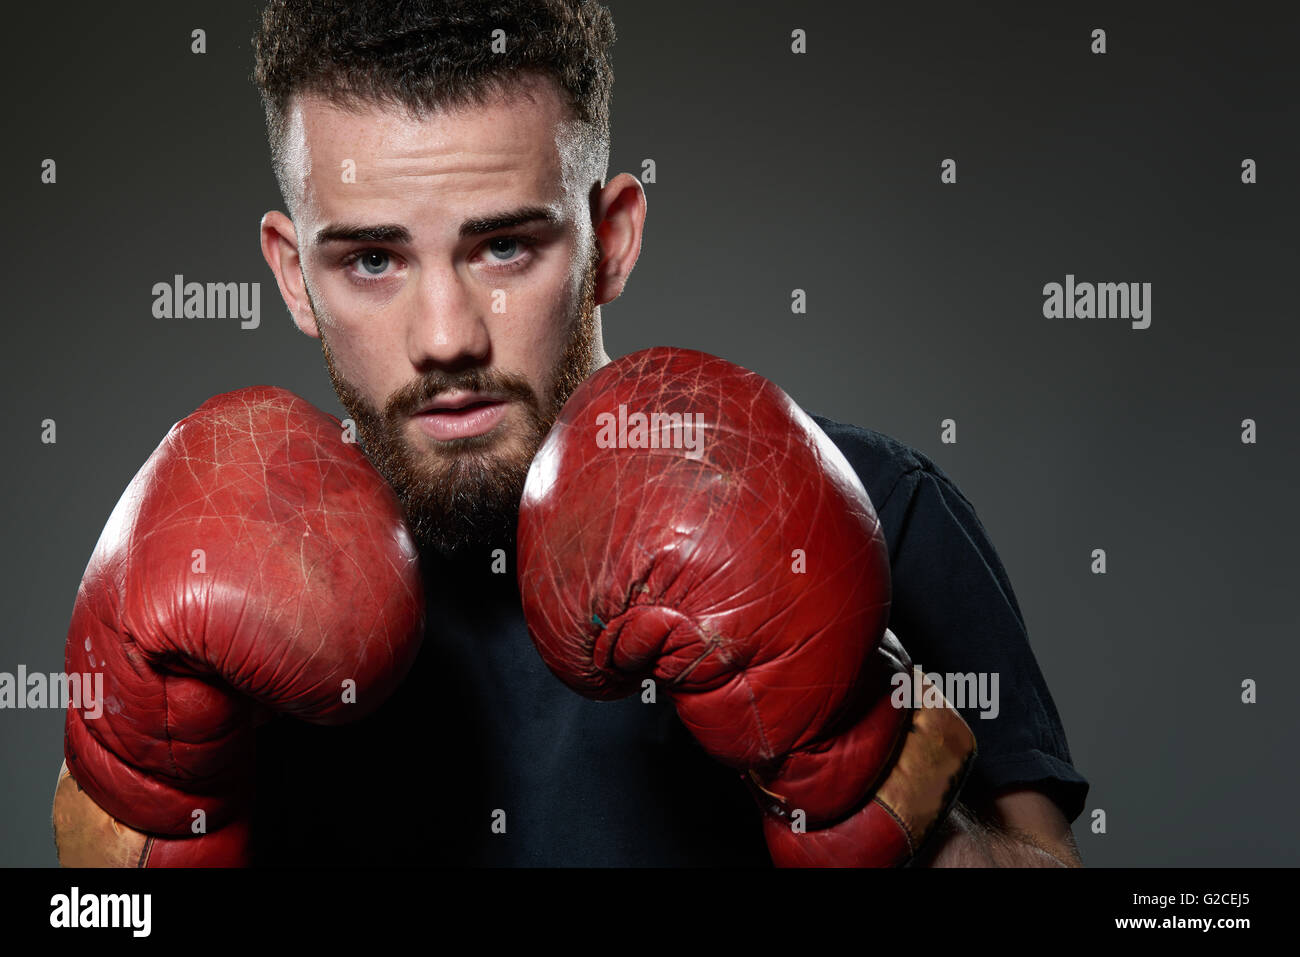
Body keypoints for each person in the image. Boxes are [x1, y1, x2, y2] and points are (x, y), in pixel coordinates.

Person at [56, 0, 1088, 867]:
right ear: (293, 275)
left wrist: (867, 764)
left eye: (504, 246)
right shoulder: (199, 579)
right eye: (372, 261)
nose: (446, 338)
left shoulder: (875, 510)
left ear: (611, 239)